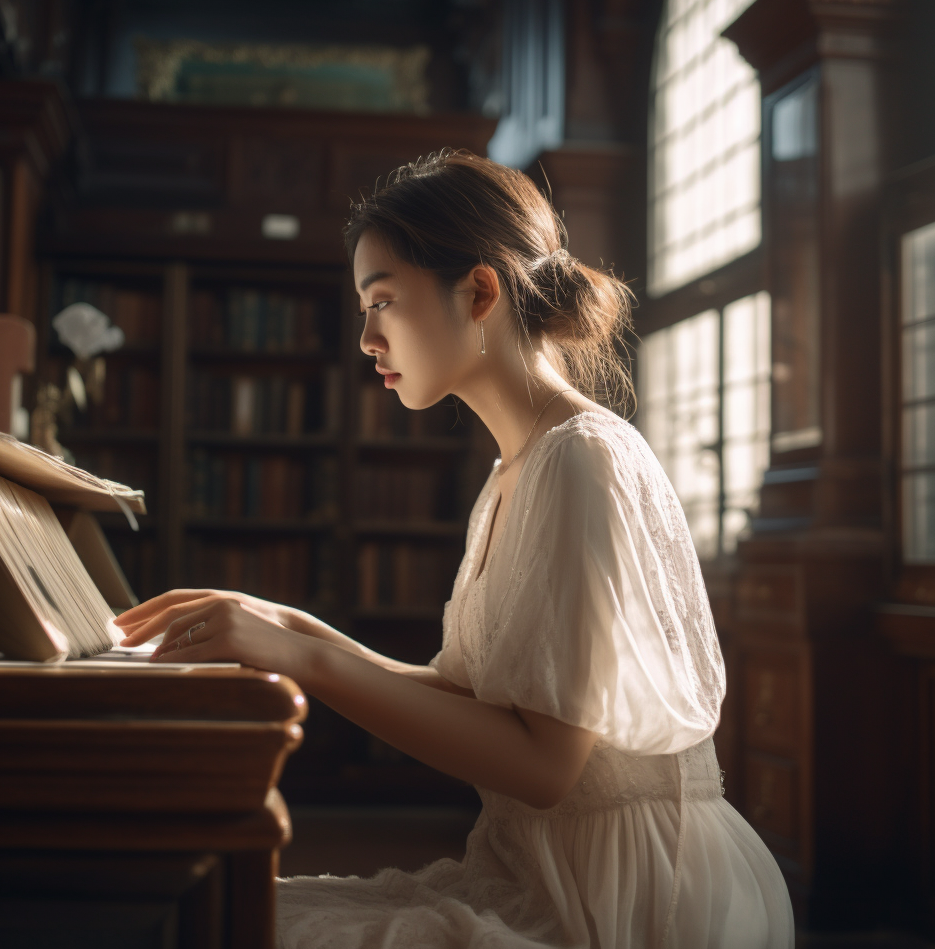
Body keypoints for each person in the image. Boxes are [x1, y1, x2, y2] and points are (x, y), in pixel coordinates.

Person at [116, 150, 795, 948]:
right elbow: (472, 700)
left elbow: (543, 769)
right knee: (221, 912)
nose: (367, 337)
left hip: (626, 894)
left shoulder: (581, 456)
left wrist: (305, 661)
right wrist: (288, 626)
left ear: (479, 291)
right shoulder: (516, 469)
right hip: (541, 868)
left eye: (384, 301)